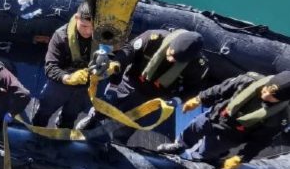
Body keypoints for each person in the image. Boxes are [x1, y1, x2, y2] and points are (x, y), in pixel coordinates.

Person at [157, 70, 290, 169]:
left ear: (282, 99)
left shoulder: (279, 118)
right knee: (193, 129)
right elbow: (220, 89)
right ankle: (180, 146)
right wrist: (199, 99)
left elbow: (261, 141)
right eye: (267, 88)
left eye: (272, 95)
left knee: (208, 151)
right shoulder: (248, 80)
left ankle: (198, 162)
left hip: (229, 135)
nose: (265, 93)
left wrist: (240, 158)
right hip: (213, 117)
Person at [76, 29, 208, 143]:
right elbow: (129, 50)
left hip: (154, 98)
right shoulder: (152, 38)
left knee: (128, 125)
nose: (171, 59)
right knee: (106, 103)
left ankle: (118, 142)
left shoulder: (198, 65)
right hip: (130, 82)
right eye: (171, 53)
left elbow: (193, 88)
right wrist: (116, 64)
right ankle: (92, 118)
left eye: (176, 60)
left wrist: (177, 100)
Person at [31, 2, 120, 128]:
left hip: (84, 88)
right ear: (77, 18)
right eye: (84, 26)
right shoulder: (60, 36)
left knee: (69, 117)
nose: (88, 31)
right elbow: (50, 67)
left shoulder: (102, 36)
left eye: (92, 27)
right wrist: (68, 78)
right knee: (44, 112)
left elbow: (122, 48)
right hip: (59, 85)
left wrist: (113, 63)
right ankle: (36, 131)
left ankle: (62, 132)